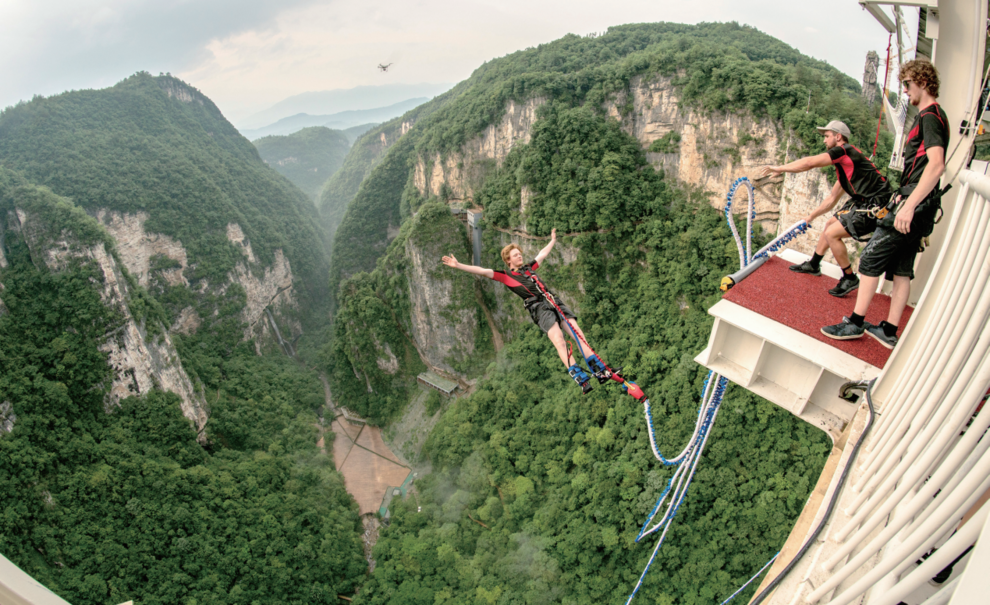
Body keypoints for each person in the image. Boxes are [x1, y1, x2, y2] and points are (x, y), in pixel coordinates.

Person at [821, 60, 948, 348]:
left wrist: (908, 205)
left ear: (923, 82)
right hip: (922, 207)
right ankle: (889, 330)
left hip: (912, 204)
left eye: (908, 84)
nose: (905, 91)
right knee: (901, 269)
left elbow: (937, 165)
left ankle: (854, 323)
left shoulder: (930, 117)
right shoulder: (935, 116)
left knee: (869, 261)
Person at [441, 229, 611, 394]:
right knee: (559, 341)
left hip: (553, 300)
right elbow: (483, 271)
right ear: (508, 260)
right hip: (538, 308)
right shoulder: (506, 276)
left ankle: (601, 371)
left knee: (578, 334)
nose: (520, 256)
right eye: (516, 255)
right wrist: (458, 265)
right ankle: (582, 380)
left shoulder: (529, 268)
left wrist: (552, 240)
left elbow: (542, 254)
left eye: (520, 253)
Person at [761, 120, 891, 297]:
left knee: (832, 234)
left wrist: (780, 168)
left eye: (827, 136)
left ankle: (849, 277)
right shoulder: (847, 166)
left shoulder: (844, 151)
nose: (824, 141)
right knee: (831, 223)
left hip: (876, 204)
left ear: (838, 137)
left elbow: (809, 163)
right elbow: (831, 199)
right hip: (864, 201)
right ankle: (814, 264)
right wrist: (811, 217)